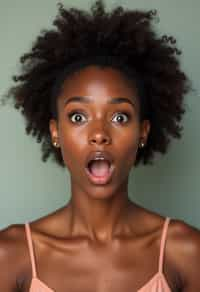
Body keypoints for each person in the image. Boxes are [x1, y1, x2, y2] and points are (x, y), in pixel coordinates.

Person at [0, 1, 200, 291]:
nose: (99, 134)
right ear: (56, 132)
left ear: (142, 132)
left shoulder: (186, 252)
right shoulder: (11, 255)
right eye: (78, 116)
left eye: (120, 116)